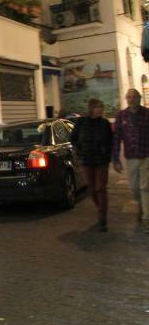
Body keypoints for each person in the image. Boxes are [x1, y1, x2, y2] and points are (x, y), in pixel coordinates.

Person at [71, 98, 113, 232]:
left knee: (100, 188)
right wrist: (79, 151)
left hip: (101, 161)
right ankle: (100, 207)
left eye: (101, 107)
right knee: (91, 189)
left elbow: (111, 141)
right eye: (97, 107)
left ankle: (102, 219)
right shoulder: (81, 122)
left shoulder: (105, 123)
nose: (100, 109)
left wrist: (108, 155)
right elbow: (73, 138)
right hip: (87, 160)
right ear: (91, 108)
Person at [112, 88, 149, 230]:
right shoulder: (121, 116)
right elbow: (116, 139)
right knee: (134, 188)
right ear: (126, 99)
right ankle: (141, 205)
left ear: (139, 98)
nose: (132, 99)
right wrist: (116, 159)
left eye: (134, 96)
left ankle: (146, 218)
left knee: (145, 187)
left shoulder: (147, 114)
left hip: (146, 155)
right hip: (131, 157)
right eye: (129, 97)